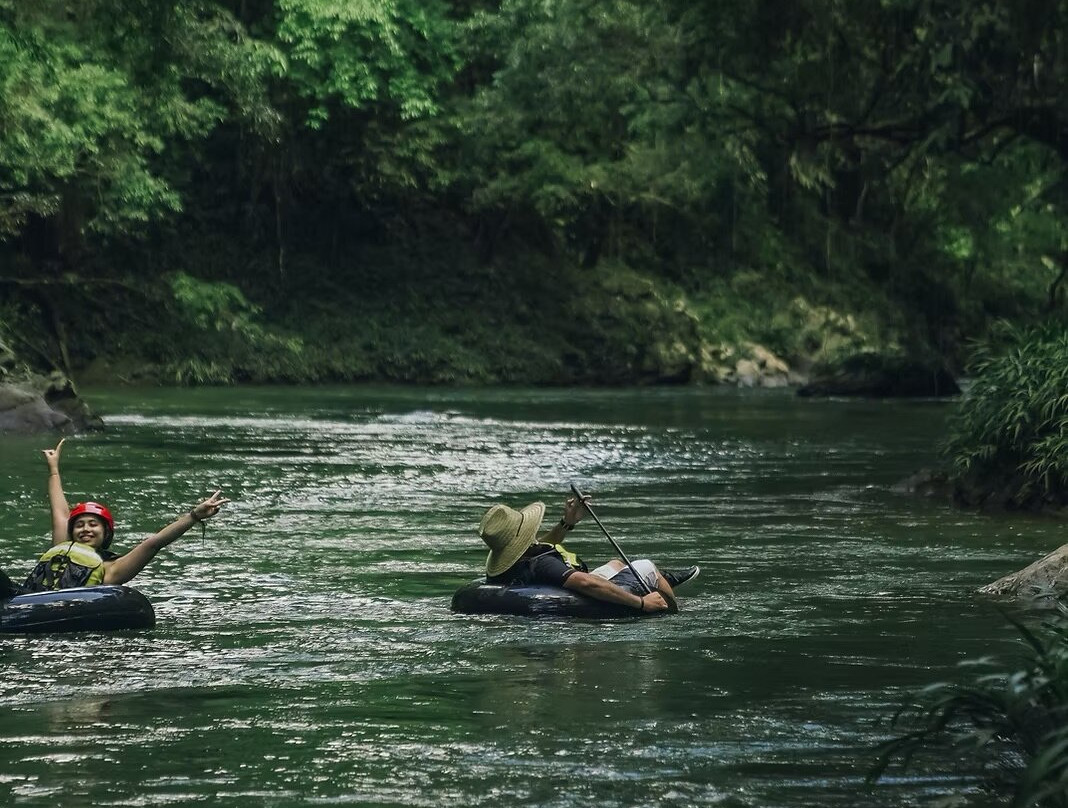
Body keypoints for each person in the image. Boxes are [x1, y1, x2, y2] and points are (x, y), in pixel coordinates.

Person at [18, 438, 230, 593]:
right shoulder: (60, 545)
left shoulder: (111, 570)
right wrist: (54, 469)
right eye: (79, 525)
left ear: (105, 533)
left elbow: (154, 543)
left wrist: (193, 516)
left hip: (65, 611)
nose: (85, 529)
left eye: (93, 524)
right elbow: (60, 510)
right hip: (27, 602)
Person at [477, 494, 699, 614]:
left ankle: (660, 579)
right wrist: (642, 603)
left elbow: (538, 545)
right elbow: (585, 583)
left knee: (616, 563)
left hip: (553, 584)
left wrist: (567, 523)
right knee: (647, 565)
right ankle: (669, 603)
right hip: (576, 592)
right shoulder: (542, 563)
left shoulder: (512, 563)